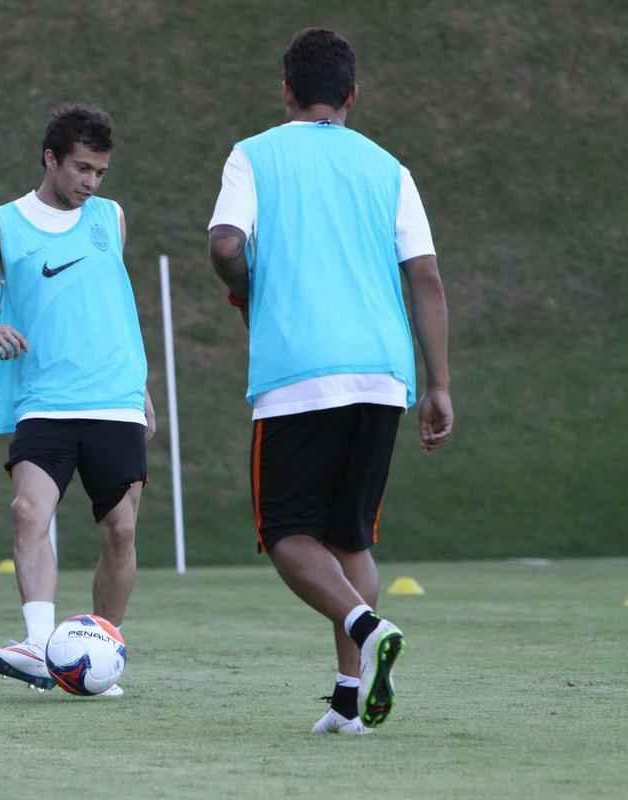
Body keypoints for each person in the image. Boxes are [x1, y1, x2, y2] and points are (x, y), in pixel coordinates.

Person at [207, 28, 453, 733]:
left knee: (287, 532)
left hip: (298, 368)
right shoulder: (389, 167)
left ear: (286, 91)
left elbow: (225, 243)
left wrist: (244, 286)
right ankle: (349, 700)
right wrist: (438, 385)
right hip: (382, 373)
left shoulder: (254, 154)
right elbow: (425, 276)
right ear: (352, 94)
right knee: (350, 538)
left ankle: (367, 627)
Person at [0, 104, 155, 697]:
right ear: (51, 159)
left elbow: (110, 307)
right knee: (28, 513)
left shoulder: (111, 218)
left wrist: (142, 391)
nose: (91, 182)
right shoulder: (1, 226)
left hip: (114, 398)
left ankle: (101, 656)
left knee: (120, 532)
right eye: (81, 168)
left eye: (100, 172)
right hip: (44, 399)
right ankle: (37, 644)